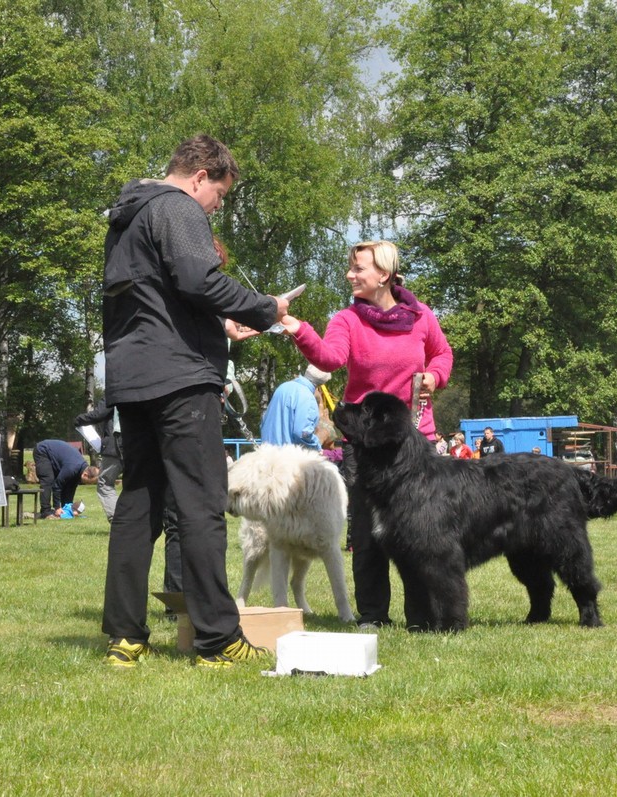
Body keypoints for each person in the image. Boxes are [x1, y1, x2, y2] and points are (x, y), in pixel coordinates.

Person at [100, 134, 288, 668]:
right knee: (203, 504)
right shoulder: (177, 206)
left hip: (133, 376)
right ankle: (217, 639)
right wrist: (264, 308)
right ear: (200, 176)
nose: (217, 207)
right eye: (219, 195)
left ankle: (125, 637)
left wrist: (219, 323)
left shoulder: (128, 214)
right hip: (181, 379)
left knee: (138, 505)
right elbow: (198, 278)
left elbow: (159, 296)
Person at [278, 239, 453, 629]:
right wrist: (298, 329)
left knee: (419, 531)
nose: (350, 275)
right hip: (364, 446)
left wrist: (434, 376)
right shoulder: (346, 320)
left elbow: (443, 353)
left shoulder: (421, 316)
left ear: (384, 274)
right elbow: (330, 358)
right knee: (368, 532)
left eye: (358, 268)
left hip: (414, 442)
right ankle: (373, 615)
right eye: (351, 267)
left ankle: (421, 617)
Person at [259, 364, 333, 449]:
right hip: (287, 453)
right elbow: (302, 433)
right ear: (322, 383)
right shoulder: (307, 397)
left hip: (267, 449)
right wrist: (317, 444)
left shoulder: (283, 387)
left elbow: (265, 421)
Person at [75, 399, 121, 521]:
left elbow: (98, 414)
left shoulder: (114, 391)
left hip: (115, 446)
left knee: (105, 484)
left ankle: (118, 521)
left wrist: (78, 420)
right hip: (139, 445)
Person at [33, 439, 94, 519]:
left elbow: (71, 488)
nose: (87, 484)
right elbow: (57, 486)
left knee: (70, 483)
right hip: (43, 451)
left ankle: (63, 509)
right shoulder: (72, 468)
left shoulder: (80, 469)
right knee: (48, 480)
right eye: (88, 482)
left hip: (54, 456)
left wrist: (68, 508)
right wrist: (57, 507)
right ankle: (46, 512)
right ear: (85, 475)